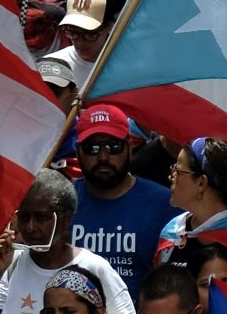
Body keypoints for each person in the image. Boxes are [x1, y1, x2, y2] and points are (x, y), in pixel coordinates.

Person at [0, 171, 130, 314]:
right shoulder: (7, 264)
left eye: (40, 218)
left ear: (65, 220)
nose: (30, 228)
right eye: (24, 217)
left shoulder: (93, 267)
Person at [68, 105, 172, 297]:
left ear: (129, 147)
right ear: (78, 151)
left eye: (113, 147)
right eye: (93, 148)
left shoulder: (166, 204)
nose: (103, 157)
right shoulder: (62, 204)